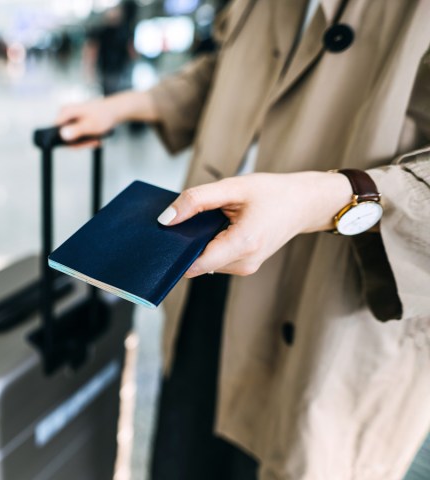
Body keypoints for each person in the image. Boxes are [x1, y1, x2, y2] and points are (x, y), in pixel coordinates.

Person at [56, 0, 430, 478]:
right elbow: (228, 69)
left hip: (339, 289)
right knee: (185, 449)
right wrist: (130, 105)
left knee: (292, 448)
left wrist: (330, 199)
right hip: (207, 267)